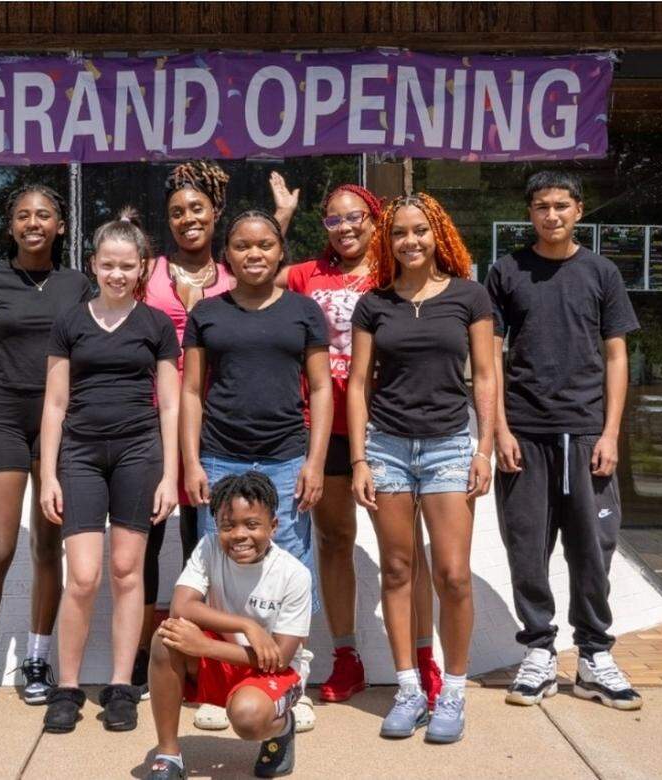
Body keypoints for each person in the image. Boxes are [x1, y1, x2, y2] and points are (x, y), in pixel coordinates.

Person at [273, 177, 443, 706]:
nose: (344, 227)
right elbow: (249, 278)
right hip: (324, 430)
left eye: (355, 217)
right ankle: (345, 657)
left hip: (388, 427)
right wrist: (280, 219)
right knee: (336, 540)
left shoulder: (395, 271)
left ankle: (421, 657)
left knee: (405, 552)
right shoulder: (307, 275)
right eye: (332, 220)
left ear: (375, 221)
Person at [135, 162, 297, 702]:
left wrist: (282, 219)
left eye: (198, 208)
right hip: (156, 417)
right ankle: (148, 658)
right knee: (148, 542)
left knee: (201, 540)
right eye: (177, 211)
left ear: (216, 214)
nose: (187, 219)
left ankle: (206, 668)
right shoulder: (147, 272)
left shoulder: (234, 275)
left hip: (212, 423)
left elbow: (267, 269)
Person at [486, 171, 642, 711]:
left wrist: (611, 432)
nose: (550, 215)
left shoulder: (601, 272)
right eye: (540, 206)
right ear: (529, 212)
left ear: (579, 209)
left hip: (586, 433)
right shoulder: (506, 272)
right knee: (527, 549)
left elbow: (617, 355)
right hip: (524, 436)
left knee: (592, 552)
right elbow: (489, 361)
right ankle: (539, 652)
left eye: (560, 205)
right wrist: (500, 430)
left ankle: (596, 655)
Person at [348, 193, 496, 744]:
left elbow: (485, 376)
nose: (410, 241)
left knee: (452, 574)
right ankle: (409, 689)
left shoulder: (469, 297)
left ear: (439, 235)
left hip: (450, 446)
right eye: (399, 233)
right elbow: (359, 384)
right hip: (386, 447)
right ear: (387, 242)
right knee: (396, 570)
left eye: (420, 231)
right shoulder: (374, 305)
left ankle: (451, 690)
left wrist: (483, 449)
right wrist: (360, 456)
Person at [180, 209, 332, 730]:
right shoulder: (207, 313)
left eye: (265, 245)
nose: (254, 254)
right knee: (221, 576)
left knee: (292, 570)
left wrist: (314, 462)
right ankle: (218, 689)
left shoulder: (304, 312)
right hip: (220, 455)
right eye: (243, 246)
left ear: (280, 251)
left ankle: (293, 682)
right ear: (228, 255)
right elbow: (192, 391)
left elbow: (320, 388)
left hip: (287, 458)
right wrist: (192, 461)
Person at [37, 208, 181, 733]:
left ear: (142, 267)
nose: (117, 274)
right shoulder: (70, 322)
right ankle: (68, 687)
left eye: (127, 265)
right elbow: (54, 404)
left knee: (127, 573)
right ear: (93, 265)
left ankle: (121, 686)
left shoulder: (157, 325)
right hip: (80, 455)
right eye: (108, 265)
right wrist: (49, 474)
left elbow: (170, 404)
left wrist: (169, 474)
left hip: (139, 454)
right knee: (82, 577)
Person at [0, 184, 92, 709]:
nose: (32, 223)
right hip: (6, 421)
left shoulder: (77, 284)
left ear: (60, 226)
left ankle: (38, 658)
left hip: (58, 424)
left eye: (43, 215)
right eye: (22, 216)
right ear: (11, 226)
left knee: (45, 546)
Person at [144, 472, 312, 780]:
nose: (238, 535)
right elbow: (183, 605)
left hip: (273, 673)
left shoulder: (294, 574)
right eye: (227, 525)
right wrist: (247, 625)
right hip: (225, 658)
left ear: (272, 527)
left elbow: (282, 658)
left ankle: (282, 728)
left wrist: (205, 646)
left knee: (248, 718)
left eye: (252, 525)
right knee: (167, 637)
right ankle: (169, 753)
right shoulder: (209, 548)